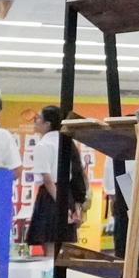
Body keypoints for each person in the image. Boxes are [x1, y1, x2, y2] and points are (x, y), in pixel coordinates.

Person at [26, 105, 86, 257]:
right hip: (68, 194)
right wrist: (75, 205)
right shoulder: (67, 143)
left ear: (47, 124)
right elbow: (78, 174)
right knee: (63, 250)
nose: (35, 121)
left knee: (50, 247)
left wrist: (61, 205)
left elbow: (47, 180)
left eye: (38, 118)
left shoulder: (43, 145)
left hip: (51, 197)